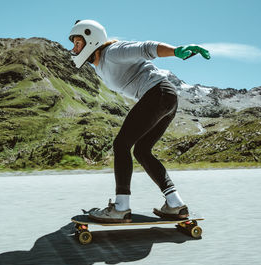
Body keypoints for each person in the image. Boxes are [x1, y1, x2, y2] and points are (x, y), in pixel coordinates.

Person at [69, 20, 210, 223]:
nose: (74, 49)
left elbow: (146, 48)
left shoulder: (113, 52)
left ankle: (121, 207)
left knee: (121, 145)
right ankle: (175, 203)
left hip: (159, 94)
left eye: (77, 43)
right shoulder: (99, 67)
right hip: (166, 97)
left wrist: (176, 51)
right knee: (142, 150)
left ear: (91, 40)